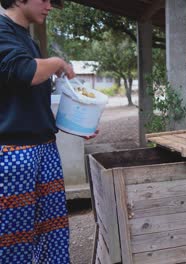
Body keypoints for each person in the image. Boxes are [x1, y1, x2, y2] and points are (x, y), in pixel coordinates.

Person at [0, 0, 79, 263]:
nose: (49, 6)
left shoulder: (25, 37)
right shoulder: (2, 30)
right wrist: (56, 62)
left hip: (44, 146)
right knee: (13, 236)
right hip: (15, 151)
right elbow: (26, 72)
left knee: (50, 230)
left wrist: (78, 124)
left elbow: (31, 100)